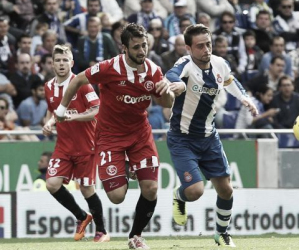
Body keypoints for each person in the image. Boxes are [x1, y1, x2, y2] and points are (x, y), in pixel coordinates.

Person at [54, 23, 174, 249]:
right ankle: (127, 166)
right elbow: (78, 79)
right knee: (117, 196)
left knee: (151, 188)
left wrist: (166, 91)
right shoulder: (109, 68)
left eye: (144, 45)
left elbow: (167, 103)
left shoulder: (153, 70)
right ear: (124, 48)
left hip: (140, 134)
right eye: (136, 47)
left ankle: (135, 236)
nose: (141, 51)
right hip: (110, 136)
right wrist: (61, 109)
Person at [165, 24, 258, 247]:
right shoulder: (185, 65)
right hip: (182, 138)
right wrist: (175, 84)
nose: (206, 49)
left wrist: (243, 98)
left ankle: (222, 233)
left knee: (226, 189)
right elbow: (172, 74)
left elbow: (229, 80)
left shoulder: (219, 64)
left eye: (208, 43)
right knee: (195, 191)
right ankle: (180, 196)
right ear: (188, 48)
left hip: (209, 136)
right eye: (200, 46)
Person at [42, 45, 110, 243]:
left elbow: (96, 109)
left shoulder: (81, 84)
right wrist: (48, 122)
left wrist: (75, 117)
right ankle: (81, 216)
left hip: (86, 145)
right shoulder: (48, 87)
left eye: (65, 60)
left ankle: (102, 231)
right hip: (63, 146)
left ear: (71, 63)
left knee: (86, 188)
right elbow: (52, 110)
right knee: (51, 184)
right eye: (58, 60)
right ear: (52, 64)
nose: (62, 64)